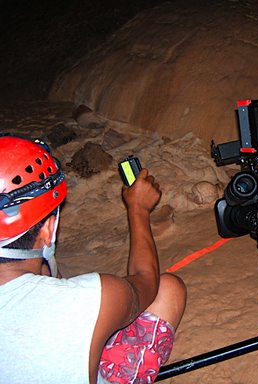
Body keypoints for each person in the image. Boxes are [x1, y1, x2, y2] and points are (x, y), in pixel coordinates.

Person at [0, 134, 187, 383]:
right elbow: (146, 282)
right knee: (169, 289)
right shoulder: (89, 298)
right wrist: (138, 209)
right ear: (47, 229)